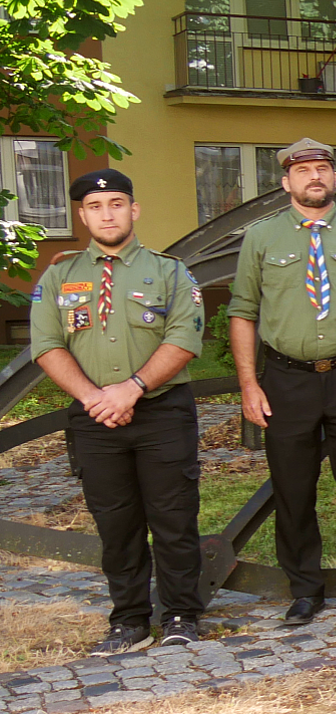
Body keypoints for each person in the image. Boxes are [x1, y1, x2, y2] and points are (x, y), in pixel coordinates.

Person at [229, 138, 336, 625]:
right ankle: (304, 588)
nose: (314, 177)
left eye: (323, 168)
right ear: (286, 182)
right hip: (286, 379)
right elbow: (242, 313)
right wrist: (249, 383)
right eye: (303, 170)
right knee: (293, 487)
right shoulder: (261, 239)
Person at [30, 170, 204, 655]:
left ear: (134, 210)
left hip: (161, 411)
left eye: (117, 203)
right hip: (95, 419)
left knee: (173, 518)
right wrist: (95, 398)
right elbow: (46, 346)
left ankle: (181, 614)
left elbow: (185, 338)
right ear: (82, 215)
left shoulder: (170, 272)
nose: (108, 213)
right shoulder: (59, 276)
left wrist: (131, 389)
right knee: (116, 523)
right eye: (96, 206)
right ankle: (129, 620)